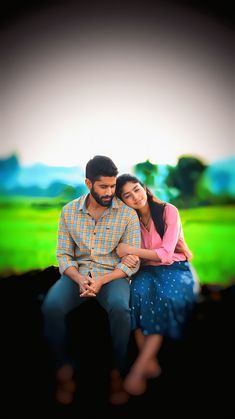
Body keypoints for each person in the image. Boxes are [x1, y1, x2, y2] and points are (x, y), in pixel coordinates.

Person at [41, 157, 141, 405]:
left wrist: (102, 280)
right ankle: (64, 372)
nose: (110, 192)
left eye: (112, 185)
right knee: (51, 307)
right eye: (103, 187)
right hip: (77, 275)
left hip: (111, 276)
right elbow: (63, 254)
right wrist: (77, 277)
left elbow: (133, 260)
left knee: (120, 309)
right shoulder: (68, 212)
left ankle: (118, 372)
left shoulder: (127, 214)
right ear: (88, 183)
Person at [115, 174, 200, 396]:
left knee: (163, 299)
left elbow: (164, 254)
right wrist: (129, 257)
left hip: (176, 268)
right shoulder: (129, 220)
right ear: (122, 200)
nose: (135, 196)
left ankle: (138, 369)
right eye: (127, 195)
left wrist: (130, 251)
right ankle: (149, 362)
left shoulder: (167, 211)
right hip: (147, 270)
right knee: (135, 294)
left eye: (137, 189)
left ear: (144, 187)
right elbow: (127, 255)